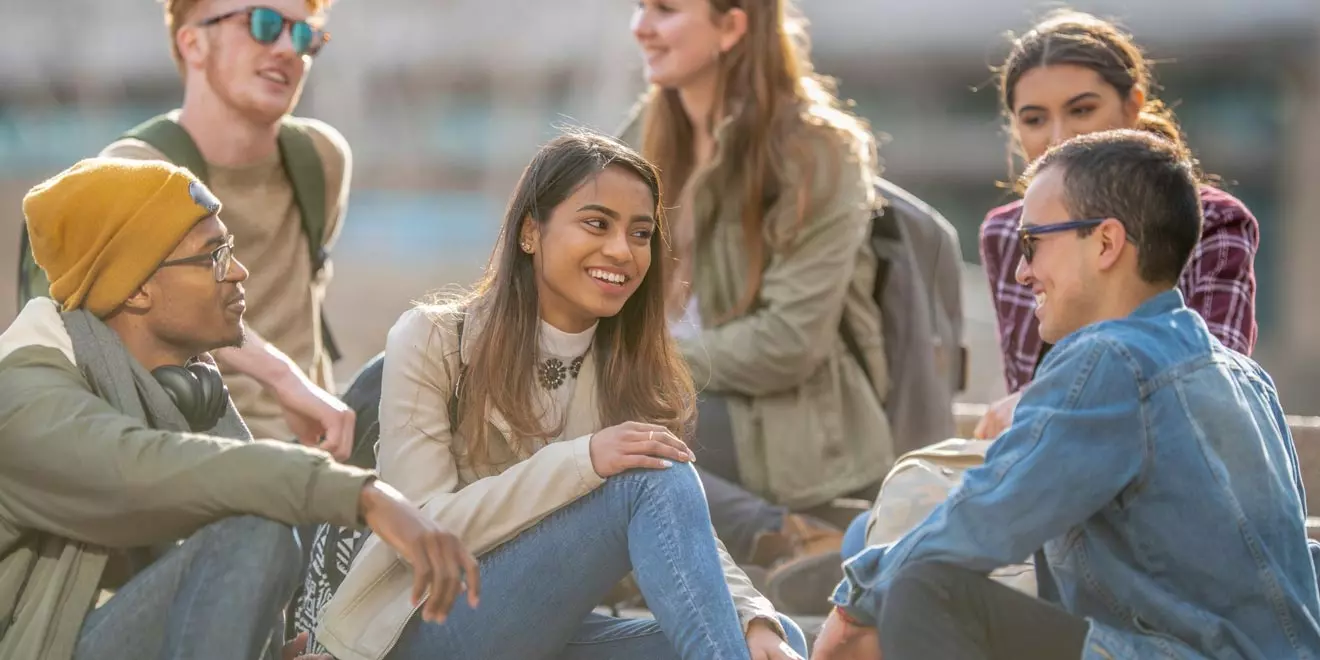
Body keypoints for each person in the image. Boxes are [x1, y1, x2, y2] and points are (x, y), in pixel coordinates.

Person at [813, 129, 1320, 660]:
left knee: (924, 589)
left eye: (1032, 242)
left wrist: (855, 601)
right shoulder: (1243, 376)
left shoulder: (1111, 358)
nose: (1021, 270)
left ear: (1105, 243)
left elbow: (988, 516)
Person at [316, 131, 807, 660]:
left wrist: (754, 616)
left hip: (541, 631)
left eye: (640, 233)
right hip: (425, 625)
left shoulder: (626, 371)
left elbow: (679, 530)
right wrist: (584, 461)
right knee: (650, 482)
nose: (621, 250)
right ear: (531, 232)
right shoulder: (434, 339)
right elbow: (424, 526)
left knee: (771, 639)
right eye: (597, 224)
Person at [0, 158, 476, 660]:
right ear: (137, 287)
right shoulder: (22, 398)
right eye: (214, 256)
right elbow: (141, 470)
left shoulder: (184, 387)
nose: (239, 271)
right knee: (256, 529)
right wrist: (367, 497)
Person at [622, 0, 892, 579]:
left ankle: (786, 536)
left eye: (664, 9)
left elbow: (787, 342)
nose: (640, 26)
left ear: (732, 25)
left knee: (592, 419)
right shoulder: (640, 134)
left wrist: (634, 364)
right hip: (667, 397)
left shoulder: (818, 151)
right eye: (638, 6)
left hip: (785, 424)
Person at [974, 9, 1259, 440]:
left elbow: (1212, 389)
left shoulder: (1214, 222)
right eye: (1034, 119)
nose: (1058, 138)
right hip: (1059, 474)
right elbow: (1024, 384)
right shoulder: (1005, 233)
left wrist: (1043, 401)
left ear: (1133, 107)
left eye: (1082, 110)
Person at [99, 0, 357, 457]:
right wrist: (280, 375)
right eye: (263, 24)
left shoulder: (321, 160)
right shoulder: (134, 170)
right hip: (190, 472)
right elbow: (177, 307)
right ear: (193, 42)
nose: (287, 50)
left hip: (319, 464)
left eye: (303, 36)